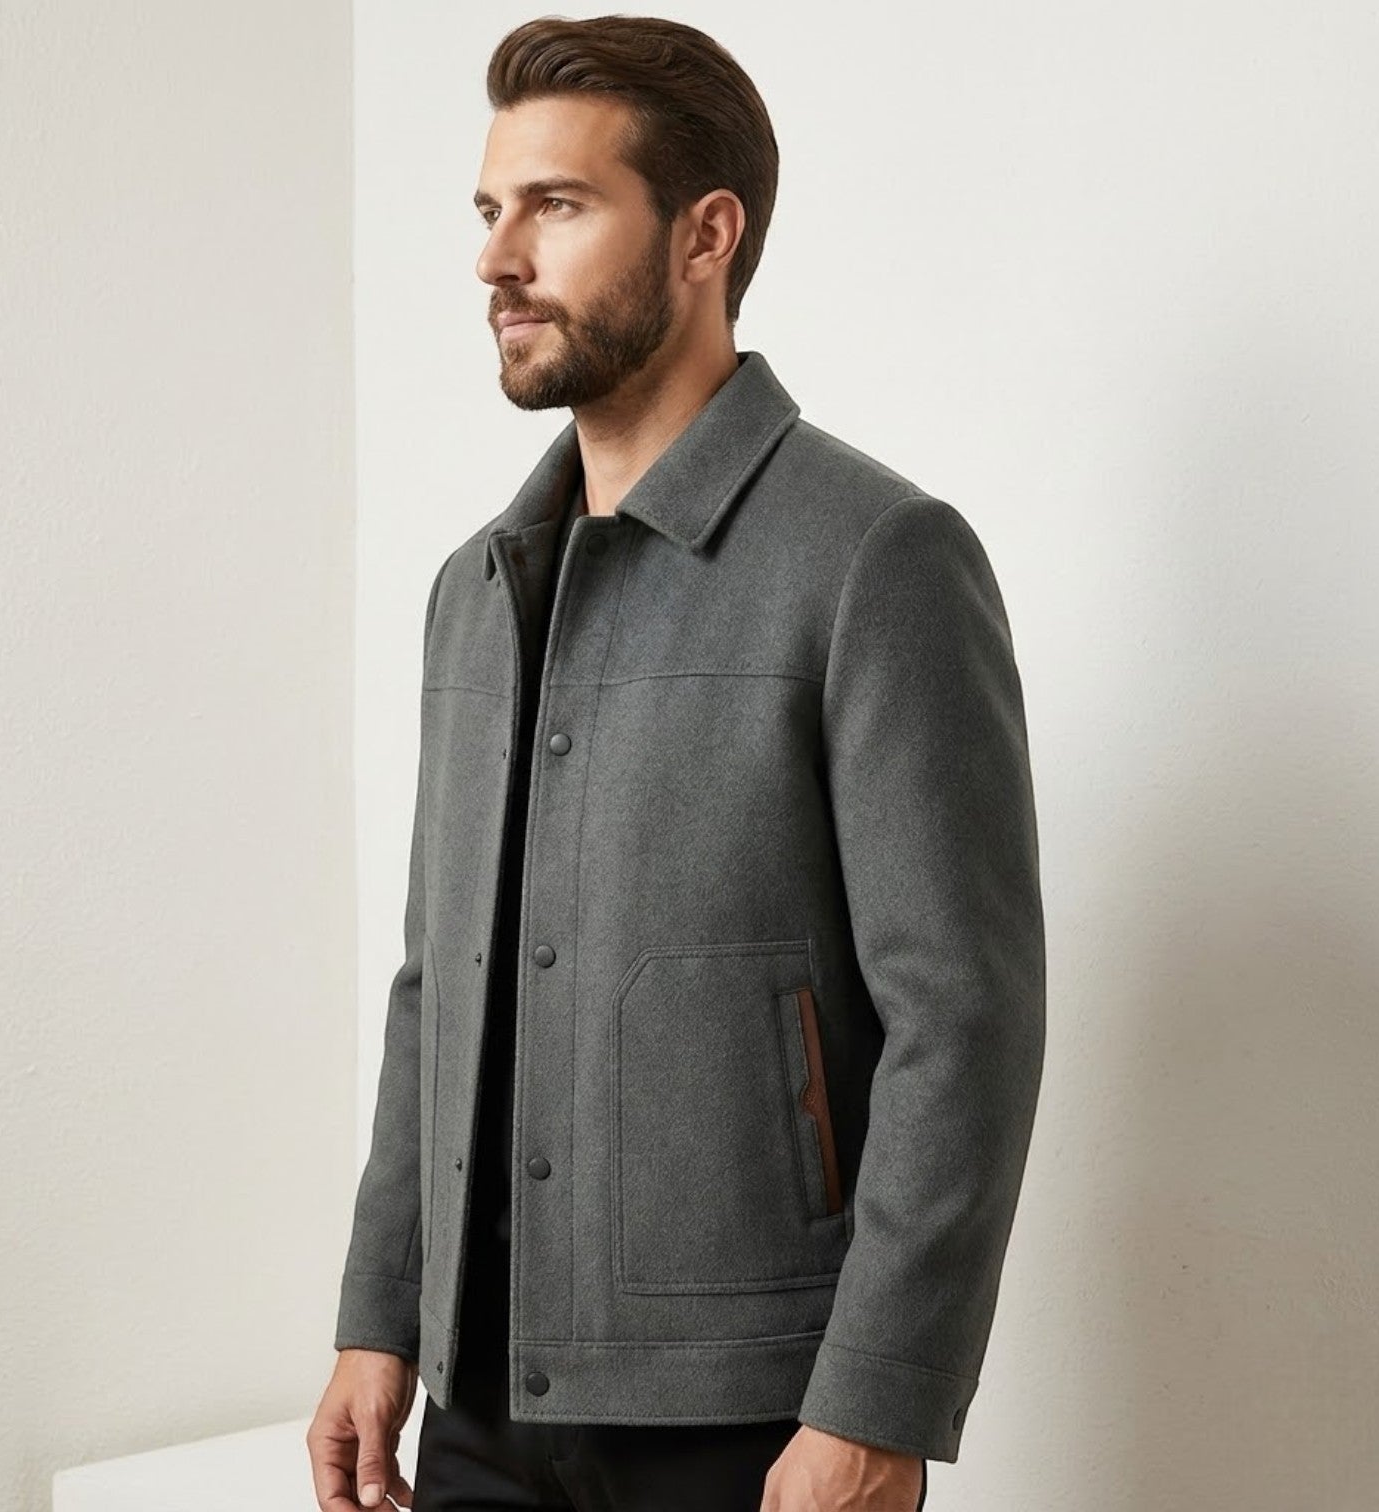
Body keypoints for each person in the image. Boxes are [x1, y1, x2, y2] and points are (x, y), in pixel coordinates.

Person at [308, 15, 1045, 1512]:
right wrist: (379, 1315)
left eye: (556, 206)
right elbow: (436, 985)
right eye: (489, 209)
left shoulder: (877, 559)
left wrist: (877, 1406)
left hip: (754, 1424)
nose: (496, 258)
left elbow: (964, 1017)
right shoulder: (474, 589)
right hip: (477, 1405)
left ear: (707, 235)